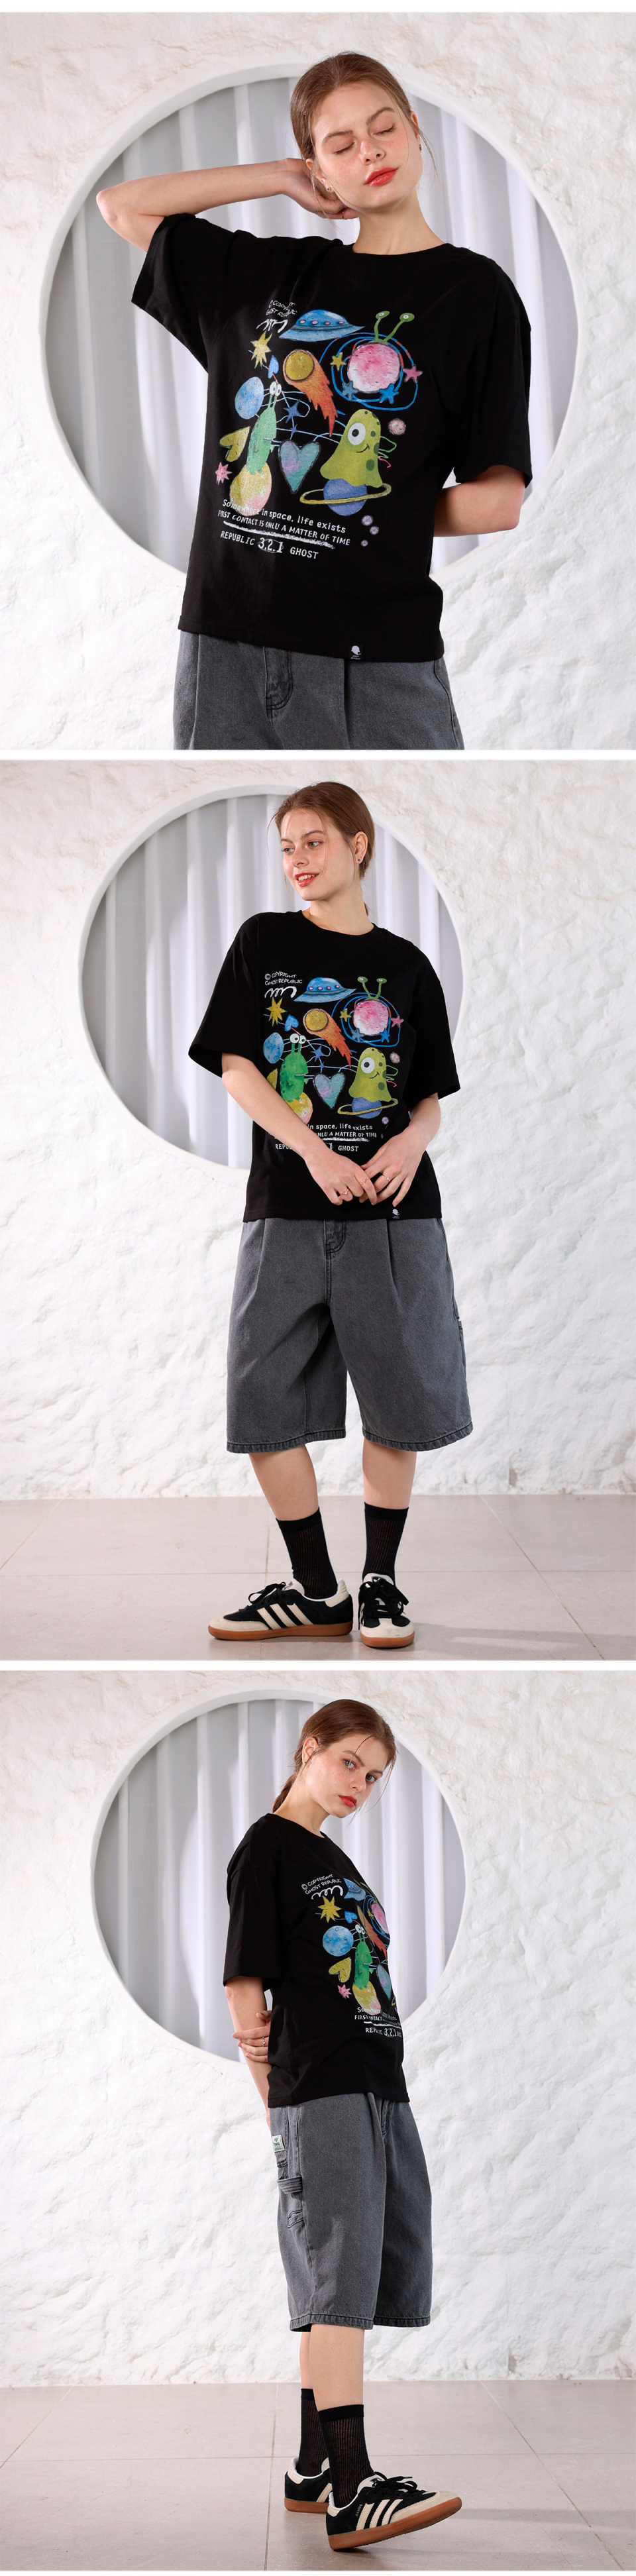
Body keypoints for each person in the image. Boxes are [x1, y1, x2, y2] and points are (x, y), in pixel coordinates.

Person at [97, 50, 531, 752]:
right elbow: (122, 206)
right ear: (318, 169)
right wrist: (278, 177)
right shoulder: (264, 276)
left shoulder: (476, 296)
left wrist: (358, 504)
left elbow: (498, 502)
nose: (371, 151)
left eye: (384, 128)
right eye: (341, 144)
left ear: (415, 129)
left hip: (375, 658)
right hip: (227, 648)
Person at [189, 782, 472, 1648]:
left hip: (395, 1216)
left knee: (399, 1398)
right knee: (261, 1401)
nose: (297, 860)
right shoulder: (264, 942)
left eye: (314, 841)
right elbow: (239, 1068)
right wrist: (313, 1152)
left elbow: (427, 1099)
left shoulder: (408, 967)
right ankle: (317, 1592)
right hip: (285, 1208)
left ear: (358, 845)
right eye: (287, 847)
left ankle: (381, 1584)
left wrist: (412, 1143)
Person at [223, 1697, 462, 2549]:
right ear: (309, 1748)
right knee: (340, 2281)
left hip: (374, 2082)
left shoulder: (332, 1856)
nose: (361, 1783)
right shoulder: (269, 1846)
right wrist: (276, 2105)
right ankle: (354, 2489)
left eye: (376, 1775)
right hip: (318, 2088)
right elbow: (245, 1984)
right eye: (351, 1761)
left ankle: (313, 2467)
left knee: (354, 2269)